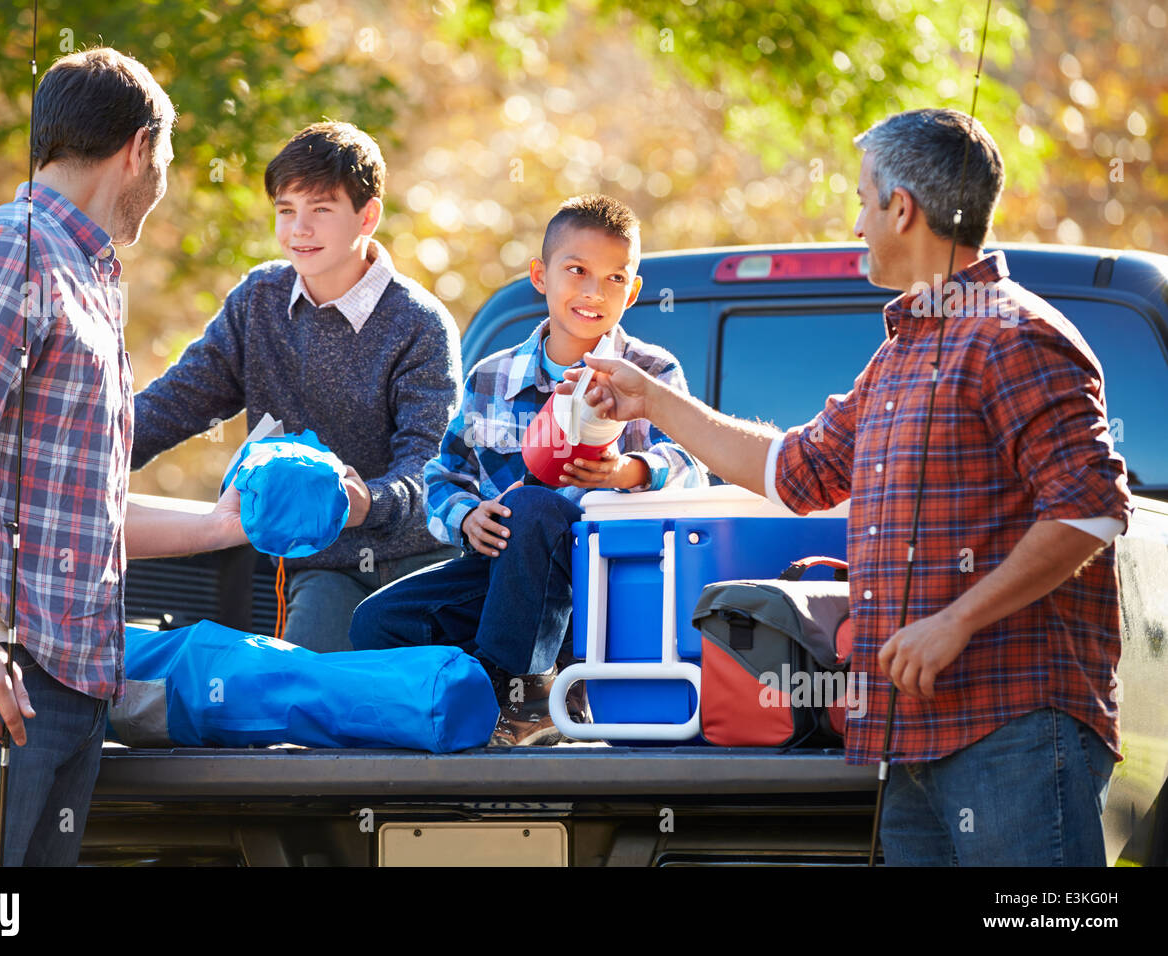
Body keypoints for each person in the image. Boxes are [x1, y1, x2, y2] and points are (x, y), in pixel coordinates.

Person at [559, 110, 1132, 864]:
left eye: (863, 200)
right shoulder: (894, 360)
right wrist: (652, 402)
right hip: (907, 738)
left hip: (1015, 729)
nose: (856, 221)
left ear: (903, 208)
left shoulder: (1017, 336)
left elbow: (1090, 509)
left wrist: (954, 621)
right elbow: (793, 472)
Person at [0, 48, 247, 867]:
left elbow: (86, 514)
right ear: (139, 147)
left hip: (61, 681)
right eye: (169, 159)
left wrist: (226, 524)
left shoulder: (84, 276)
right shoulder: (9, 252)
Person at [350, 194, 707, 746]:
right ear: (541, 276)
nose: (594, 292)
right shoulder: (491, 377)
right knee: (377, 622)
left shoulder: (653, 371)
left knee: (534, 504)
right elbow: (444, 475)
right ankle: (463, 699)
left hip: (608, 579)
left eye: (615, 278)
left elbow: (691, 465)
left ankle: (527, 704)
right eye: (577, 271)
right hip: (506, 579)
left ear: (633, 292)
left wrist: (627, 472)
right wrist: (468, 517)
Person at [131, 121, 463, 654]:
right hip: (323, 566)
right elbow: (175, 403)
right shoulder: (258, 300)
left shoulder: (419, 323)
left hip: (421, 563)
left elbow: (430, 466)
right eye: (286, 210)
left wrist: (364, 503)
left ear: (368, 215)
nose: (299, 229)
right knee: (305, 704)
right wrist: (79, 457)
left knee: (405, 713)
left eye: (321, 210)